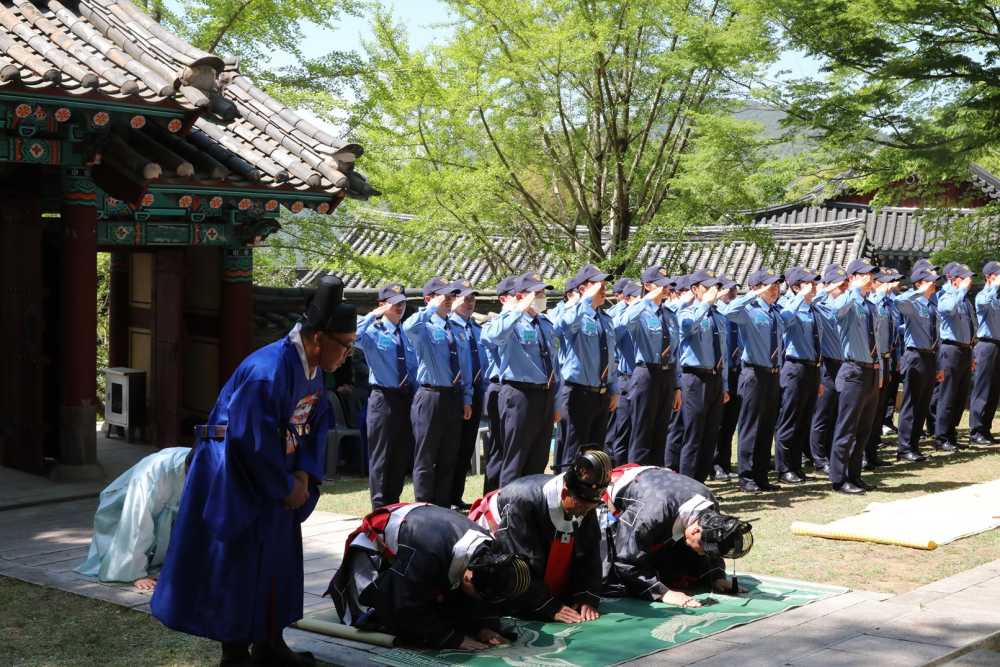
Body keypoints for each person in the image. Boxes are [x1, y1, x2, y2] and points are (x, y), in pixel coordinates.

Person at [151, 275, 356, 666]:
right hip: (235, 472)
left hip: (279, 473)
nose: (348, 354)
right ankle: (234, 652)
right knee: (238, 562)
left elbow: (316, 426)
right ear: (318, 338)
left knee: (277, 558)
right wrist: (284, 485)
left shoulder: (313, 370)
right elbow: (250, 437)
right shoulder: (267, 370)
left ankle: (270, 642)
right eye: (345, 345)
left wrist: (303, 475)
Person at [328, 503, 531, 650]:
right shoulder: (427, 553)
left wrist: (483, 627)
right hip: (374, 554)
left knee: (448, 610)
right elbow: (406, 606)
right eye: (479, 595)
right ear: (468, 578)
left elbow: (475, 597)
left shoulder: (487, 549)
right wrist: (452, 639)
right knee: (395, 623)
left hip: (423, 541)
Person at [468, 449, 611, 623]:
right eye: (582, 507)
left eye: (590, 508)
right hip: (496, 544)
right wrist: (549, 606)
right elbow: (517, 564)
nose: (585, 513)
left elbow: (589, 551)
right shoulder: (522, 502)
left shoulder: (584, 502)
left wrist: (587, 597)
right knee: (511, 584)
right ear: (565, 493)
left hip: (536, 537)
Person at [600, 465, 753, 607]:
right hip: (617, 488)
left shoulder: (710, 505)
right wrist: (662, 592)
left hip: (661, 487)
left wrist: (717, 576)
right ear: (694, 531)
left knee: (682, 568)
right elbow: (625, 560)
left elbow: (713, 541)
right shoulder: (650, 516)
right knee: (612, 581)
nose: (703, 553)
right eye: (704, 549)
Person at [481, 271, 561, 485]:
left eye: (543, 292)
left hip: (545, 395)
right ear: (521, 296)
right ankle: (507, 503)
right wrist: (517, 309)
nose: (542, 297)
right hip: (520, 394)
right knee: (515, 459)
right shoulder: (509, 322)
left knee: (539, 458)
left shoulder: (545, 324)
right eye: (537, 293)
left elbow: (555, 364)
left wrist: (556, 401)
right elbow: (492, 335)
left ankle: (530, 501)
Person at [813, 259, 884, 495]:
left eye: (871, 275)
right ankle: (839, 478)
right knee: (847, 427)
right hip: (853, 369)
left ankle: (854, 475)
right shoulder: (847, 301)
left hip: (871, 370)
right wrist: (852, 289)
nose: (870, 278)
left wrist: (879, 370)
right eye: (864, 275)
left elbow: (876, 340)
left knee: (864, 428)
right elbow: (835, 310)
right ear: (852, 278)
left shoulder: (870, 305)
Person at [76, 447, 191, 590]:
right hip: (125, 507)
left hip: (168, 512)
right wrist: (135, 573)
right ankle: (129, 568)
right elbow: (136, 522)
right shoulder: (153, 472)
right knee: (138, 521)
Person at [403, 277, 474, 506]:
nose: (449, 299)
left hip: (453, 396)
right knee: (426, 456)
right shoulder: (423, 327)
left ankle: (442, 505)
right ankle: (424, 505)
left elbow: (465, 366)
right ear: (429, 298)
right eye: (444, 295)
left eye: (451, 295)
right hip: (430, 395)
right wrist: (431, 307)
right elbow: (407, 327)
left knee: (448, 455)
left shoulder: (456, 328)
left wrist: (467, 397)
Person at [719, 269, 784, 492]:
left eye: (777, 286)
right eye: (770, 286)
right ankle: (746, 477)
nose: (775, 290)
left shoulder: (775, 312)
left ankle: (761, 474)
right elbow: (729, 311)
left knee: (767, 426)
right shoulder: (748, 310)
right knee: (750, 426)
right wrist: (752, 294)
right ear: (757, 287)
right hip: (754, 373)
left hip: (773, 373)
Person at [355, 283, 417, 509]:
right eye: (394, 303)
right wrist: (374, 314)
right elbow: (353, 334)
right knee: (381, 456)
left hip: (405, 398)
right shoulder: (373, 331)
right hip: (383, 399)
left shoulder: (406, 333)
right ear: (382, 304)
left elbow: (414, 368)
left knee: (400, 455)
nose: (399, 307)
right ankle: (379, 508)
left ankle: (393, 505)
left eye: (402, 303)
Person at [552, 265, 619, 469]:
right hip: (578, 392)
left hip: (601, 393)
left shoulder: (605, 319)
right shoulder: (575, 314)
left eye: (604, 284)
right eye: (598, 284)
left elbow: (610, 356)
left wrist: (613, 388)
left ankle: (591, 488)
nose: (603, 288)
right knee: (575, 450)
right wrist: (585, 300)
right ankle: (568, 488)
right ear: (583, 288)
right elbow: (563, 326)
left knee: (596, 453)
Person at [616, 265, 682, 466]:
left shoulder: (669, 314)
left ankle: (656, 475)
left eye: (667, 284)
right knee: (642, 431)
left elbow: (675, 352)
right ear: (647, 285)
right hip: (646, 373)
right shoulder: (640, 311)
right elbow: (621, 324)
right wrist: (644, 301)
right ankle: (637, 476)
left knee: (661, 431)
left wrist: (677, 386)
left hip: (667, 375)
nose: (665, 288)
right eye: (660, 285)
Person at [676, 270, 731, 483]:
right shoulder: (686, 312)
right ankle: (687, 486)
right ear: (695, 289)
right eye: (707, 287)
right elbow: (687, 327)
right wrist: (705, 304)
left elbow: (723, 352)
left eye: (714, 287)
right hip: (695, 378)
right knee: (694, 435)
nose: (712, 292)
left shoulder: (718, 315)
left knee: (710, 435)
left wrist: (724, 384)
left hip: (715, 378)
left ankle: (701, 485)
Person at [773, 267, 823, 485]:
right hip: (794, 367)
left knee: (804, 419)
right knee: (790, 419)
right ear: (795, 287)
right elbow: (784, 320)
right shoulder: (789, 306)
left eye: (814, 283)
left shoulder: (812, 309)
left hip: (812, 367)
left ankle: (796, 465)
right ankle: (784, 468)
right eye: (808, 283)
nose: (813, 287)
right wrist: (799, 297)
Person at [891, 265, 940, 462]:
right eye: (929, 281)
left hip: (930, 356)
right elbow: (898, 300)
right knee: (911, 402)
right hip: (915, 356)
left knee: (923, 403)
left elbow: (937, 335)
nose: (934, 284)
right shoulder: (913, 303)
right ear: (919, 283)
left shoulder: (932, 305)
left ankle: (914, 445)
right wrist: (919, 291)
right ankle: (904, 448)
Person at [448, 279, 489, 509]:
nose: (470, 302)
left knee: (465, 448)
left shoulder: (476, 329)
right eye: (465, 298)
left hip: (476, 392)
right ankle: (445, 496)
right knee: (451, 447)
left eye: (472, 298)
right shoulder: (449, 326)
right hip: (456, 393)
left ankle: (456, 496)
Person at [810, 264, 849, 476]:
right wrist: (825, 289)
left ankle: (833, 454)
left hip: (844, 363)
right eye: (839, 285)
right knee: (822, 414)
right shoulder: (820, 304)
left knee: (837, 412)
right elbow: (811, 301)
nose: (843, 288)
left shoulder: (847, 302)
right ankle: (819, 459)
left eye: (845, 285)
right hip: (827, 363)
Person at [934, 263, 977, 452]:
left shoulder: (964, 300)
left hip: (965, 349)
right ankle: (941, 437)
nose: (970, 281)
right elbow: (948, 309)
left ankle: (951, 434)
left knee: (960, 396)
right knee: (948, 395)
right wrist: (960, 291)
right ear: (954, 280)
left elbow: (971, 325)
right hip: (950, 350)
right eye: (965, 277)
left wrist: (972, 350)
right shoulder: (946, 295)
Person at [482, 276, 517, 493]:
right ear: (504, 299)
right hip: (499, 387)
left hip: (514, 388)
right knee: (498, 445)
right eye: (516, 295)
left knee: (512, 446)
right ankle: (491, 493)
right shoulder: (495, 325)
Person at [864, 269, 902, 470]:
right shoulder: (873, 303)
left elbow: (894, 334)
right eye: (885, 282)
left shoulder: (890, 304)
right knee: (869, 410)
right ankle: (864, 454)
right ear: (875, 284)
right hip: (875, 360)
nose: (890, 285)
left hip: (887, 359)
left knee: (879, 410)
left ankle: (872, 452)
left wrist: (897, 358)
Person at [606, 281, 641, 465]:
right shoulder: (618, 315)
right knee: (620, 429)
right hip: (625, 378)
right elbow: (612, 337)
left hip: (643, 379)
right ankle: (616, 466)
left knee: (638, 429)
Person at [713, 278, 742, 481]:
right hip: (721, 371)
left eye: (734, 289)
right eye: (728, 289)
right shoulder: (718, 311)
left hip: (736, 370)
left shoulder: (735, 313)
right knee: (718, 422)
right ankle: (714, 464)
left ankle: (724, 462)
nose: (733, 292)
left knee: (731, 421)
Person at [970, 261, 1000, 445]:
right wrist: (994, 286)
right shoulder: (983, 295)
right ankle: (976, 431)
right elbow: (983, 303)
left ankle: (985, 429)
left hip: (998, 345)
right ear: (990, 277)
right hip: (986, 345)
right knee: (982, 389)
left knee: (994, 390)